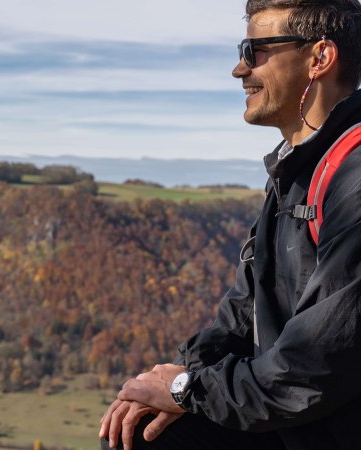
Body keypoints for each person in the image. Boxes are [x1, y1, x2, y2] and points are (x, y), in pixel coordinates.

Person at [98, 1, 361, 449]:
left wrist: (186, 390)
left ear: (320, 58)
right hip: (297, 421)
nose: (240, 69)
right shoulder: (296, 173)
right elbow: (243, 315)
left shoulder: (352, 180)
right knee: (136, 432)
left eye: (255, 50)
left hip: (327, 426)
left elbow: (315, 368)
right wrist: (168, 379)